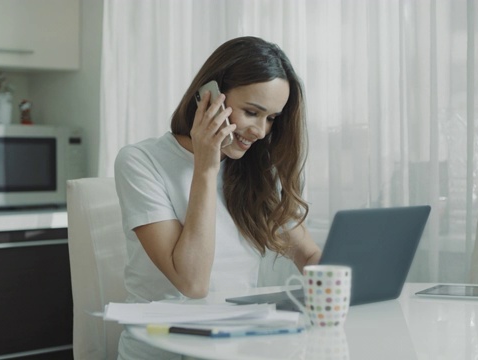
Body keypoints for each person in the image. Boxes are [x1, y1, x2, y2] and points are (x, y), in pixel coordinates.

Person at [114, 36, 322, 360]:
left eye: (271, 118)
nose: (261, 131)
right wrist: (206, 167)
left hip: (236, 348)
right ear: (208, 96)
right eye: (252, 112)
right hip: (164, 351)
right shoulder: (141, 162)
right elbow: (193, 283)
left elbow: (309, 257)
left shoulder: (258, 172)